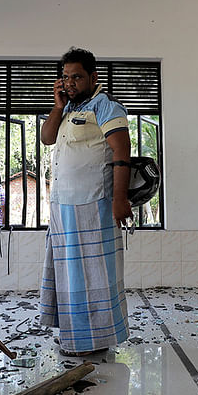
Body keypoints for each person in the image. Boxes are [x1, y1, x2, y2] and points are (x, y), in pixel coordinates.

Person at [39, 47, 132, 356]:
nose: (69, 82)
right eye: (65, 77)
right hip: (63, 208)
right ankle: (74, 336)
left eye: (76, 77)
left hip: (94, 207)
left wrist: (120, 200)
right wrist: (56, 106)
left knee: (94, 278)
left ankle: (94, 341)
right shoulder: (66, 109)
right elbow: (47, 138)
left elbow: (121, 154)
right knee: (69, 280)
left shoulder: (106, 106)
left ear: (93, 77)